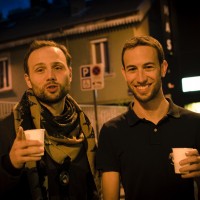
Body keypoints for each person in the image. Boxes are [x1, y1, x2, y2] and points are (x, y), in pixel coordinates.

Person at [96, 35, 200, 200]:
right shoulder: (112, 132)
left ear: (163, 68)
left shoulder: (195, 124)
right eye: (132, 69)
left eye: (148, 67)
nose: (141, 78)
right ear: (124, 73)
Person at [0, 40, 100, 199]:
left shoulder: (84, 127)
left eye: (58, 67)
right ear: (28, 79)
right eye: (40, 70)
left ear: (71, 74)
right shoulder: (7, 130)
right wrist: (11, 165)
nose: (50, 76)